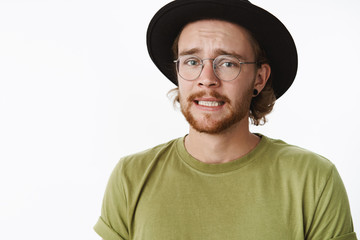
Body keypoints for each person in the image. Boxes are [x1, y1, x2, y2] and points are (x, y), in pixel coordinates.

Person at [94, 0, 357, 239]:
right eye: (192, 61)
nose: (207, 78)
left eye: (228, 63)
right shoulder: (131, 177)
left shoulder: (313, 180)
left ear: (259, 78)